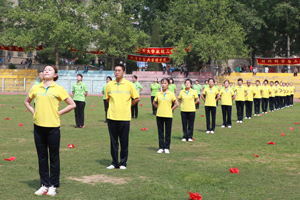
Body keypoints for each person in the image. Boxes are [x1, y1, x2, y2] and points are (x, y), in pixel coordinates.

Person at [24, 65, 76, 196]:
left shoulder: (59, 89)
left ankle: (53, 185)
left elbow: (72, 104)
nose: (46, 71)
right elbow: (27, 102)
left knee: (54, 157)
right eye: (45, 69)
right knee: (42, 157)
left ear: (55, 75)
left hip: (53, 127)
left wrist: (59, 113)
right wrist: (34, 112)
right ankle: (44, 184)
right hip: (38, 127)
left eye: (50, 70)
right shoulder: (36, 87)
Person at [105, 64, 140, 170]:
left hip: (124, 117)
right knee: (113, 141)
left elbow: (136, 98)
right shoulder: (110, 84)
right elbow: (107, 98)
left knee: (124, 141)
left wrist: (127, 105)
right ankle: (114, 162)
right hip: (112, 117)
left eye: (119, 70)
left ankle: (123, 163)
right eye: (115, 70)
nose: (117, 72)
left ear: (124, 72)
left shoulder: (129, 85)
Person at [153, 78, 178, 153]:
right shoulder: (158, 93)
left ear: (168, 84)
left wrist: (171, 109)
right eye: (162, 83)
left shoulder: (171, 94)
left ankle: (166, 147)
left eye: (165, 83)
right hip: (159, 115)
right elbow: (154, 103)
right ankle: (161, 147)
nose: (163, 85)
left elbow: (177, 104)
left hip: (168, 115)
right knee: (160, 132)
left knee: (168, 132)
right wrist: (159, 108)